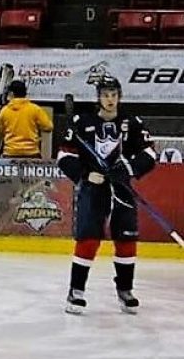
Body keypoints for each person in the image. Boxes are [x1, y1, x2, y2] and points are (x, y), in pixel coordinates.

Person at [57, 76, 157, 316]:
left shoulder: (132, 123)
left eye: (113, 94)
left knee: (126, 239)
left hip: (122, 189)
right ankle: (76, 291)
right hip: (94, 189)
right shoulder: (82, 123)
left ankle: (125, 290)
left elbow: (150, 153)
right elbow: (64, 156)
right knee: (89, 238)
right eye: (105, 95)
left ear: (119, 96)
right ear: (99, 97)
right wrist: (85, 174)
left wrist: (129, 170)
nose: (110, 99)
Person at [0, 80, 54, 159]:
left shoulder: (4, 111)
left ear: (12, 94)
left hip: (10, 153)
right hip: (32, 153)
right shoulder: (35, 109)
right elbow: (48, 127)